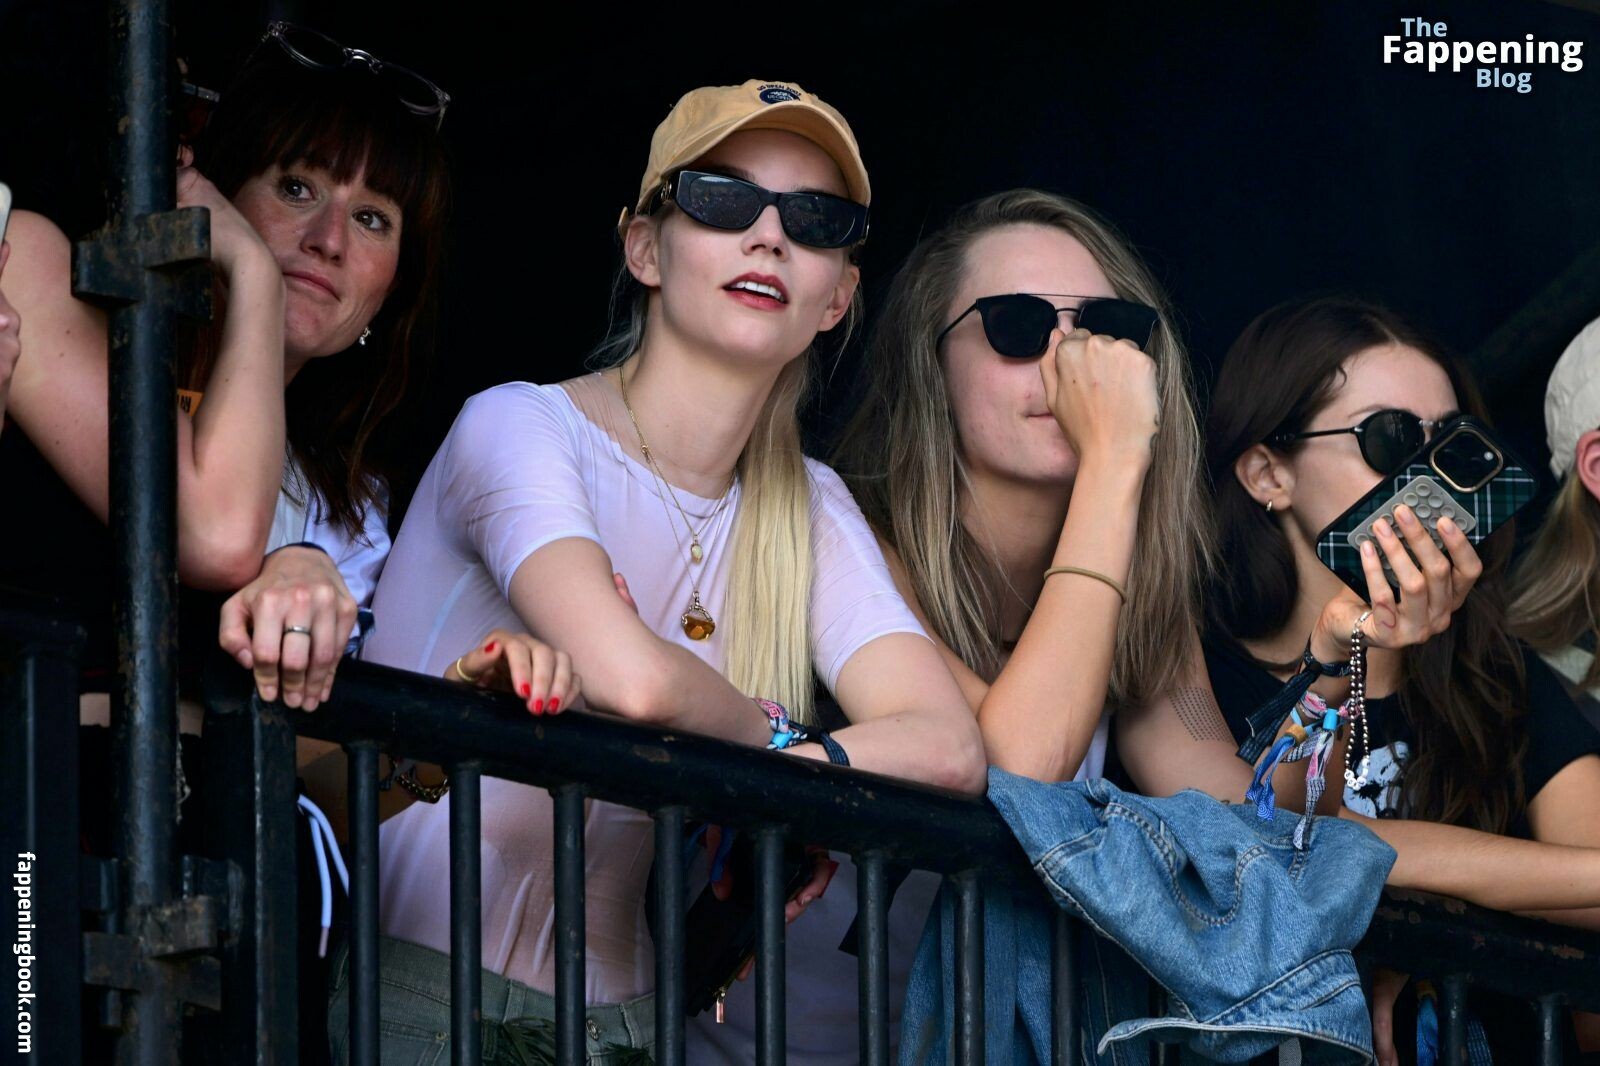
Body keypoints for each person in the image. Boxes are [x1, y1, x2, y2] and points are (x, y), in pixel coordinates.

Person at [834, 192, 1600, 1060]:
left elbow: (1262, 827)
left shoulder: (1148, 604)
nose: (1073, 361)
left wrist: (1342, 652)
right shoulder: (853, 532)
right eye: (1019, 325)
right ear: (930, 360)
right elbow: (1021, 770)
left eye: (1108, 331)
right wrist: (1116, 457)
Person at [335, 80, 984, 1064]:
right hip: (426, 999)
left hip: (630, 1028)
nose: (769, 236)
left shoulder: (809, 504)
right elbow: (630, 681)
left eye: (815, 220)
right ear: (643, 247)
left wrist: (778, 772)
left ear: (838, 297)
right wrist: (771, 743)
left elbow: (948, 746)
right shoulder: (518, 424)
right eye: (723, 199)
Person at [1203, 295, 1600, 1061]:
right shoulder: (1202, 667)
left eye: (1448, 442)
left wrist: (1405, 889)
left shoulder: (1496, 669)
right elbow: (1281, 838)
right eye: (1389, 438)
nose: (1426, 475)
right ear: (1267, 474)